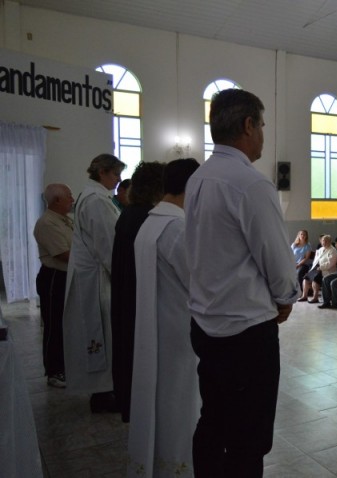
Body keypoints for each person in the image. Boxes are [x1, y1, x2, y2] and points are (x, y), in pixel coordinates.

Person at [185, 89, 299, 477]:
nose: (263, 134)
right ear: (248, 125)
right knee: (248, 438)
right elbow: (276, 257)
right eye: (262, 124)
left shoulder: (199, 177)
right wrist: (286, 298)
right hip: (246, 333)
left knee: (213, 420)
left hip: (205, 323)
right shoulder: (250, 183)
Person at [127, 158, 201, 478]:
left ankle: (161, 462)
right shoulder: (177, 227)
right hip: (178, 331)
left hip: (155, 327)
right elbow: (199, 282)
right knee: (179, 403)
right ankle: (178, 466)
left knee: (162, 399)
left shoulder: (150, 222)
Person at [63, 153, 126, 412]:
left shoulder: (93, 197)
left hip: (93, 276)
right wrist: (123, 277)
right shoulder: (97, 201)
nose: (118, 179)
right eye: (115, 174)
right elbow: (108, 246)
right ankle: (102, 394)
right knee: (101, 334)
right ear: (102, 173)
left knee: (102, 335)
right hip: (97, 279)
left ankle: (104, 390)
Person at [111, 161, 165, 423]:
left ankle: (129, 402)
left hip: (126, 293)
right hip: (138, 295)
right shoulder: (147, 218)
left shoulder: (129, 213)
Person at [33, 183, 75, 388]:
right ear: (57, 200)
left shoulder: (65, 220)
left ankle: (65, 366)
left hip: (66, 277)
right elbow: (63, 254)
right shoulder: (47, 223)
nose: (72, 199)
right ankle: (54, 371)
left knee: (66, 323)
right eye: (69, 196)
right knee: (54, 324)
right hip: (54, 278)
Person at [298, 235, 337, 303]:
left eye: (326, 241)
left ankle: (315, 297)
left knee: (315, 279)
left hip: (326, 270)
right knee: (305, 278)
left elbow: (331, 263)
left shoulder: (333, 250)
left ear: (330, 242)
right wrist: (313, 268)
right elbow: (315, 260)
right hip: (316, 268)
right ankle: (304, 296)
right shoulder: (320, 249)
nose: (324, 242)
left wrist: (321, 267)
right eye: (323, 241)